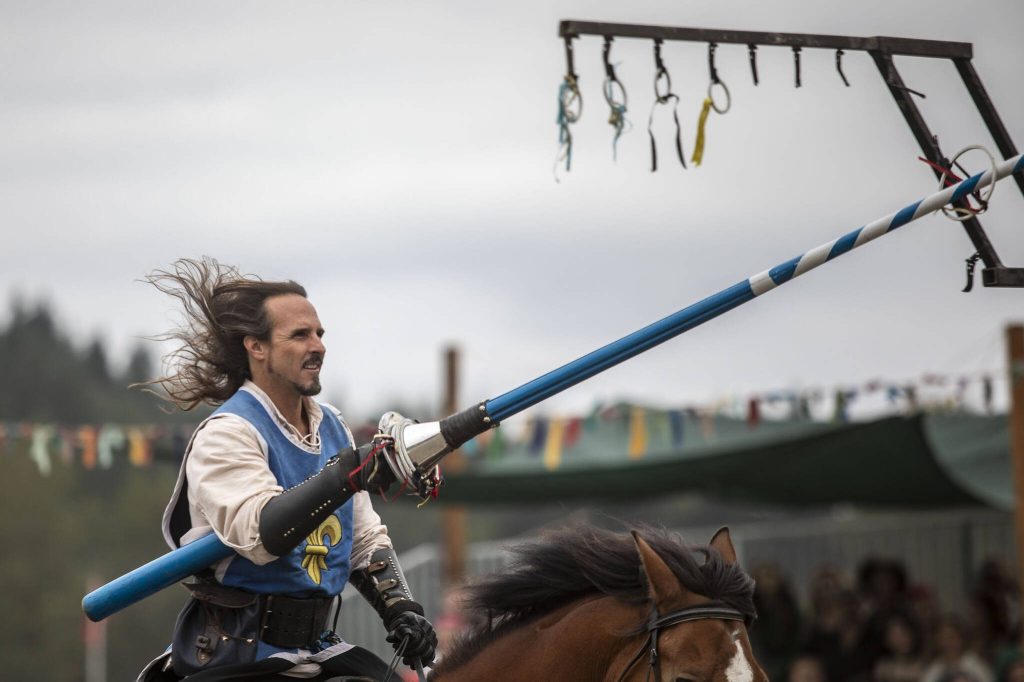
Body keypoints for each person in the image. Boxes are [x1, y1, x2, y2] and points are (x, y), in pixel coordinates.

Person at [136, 258, 437, 681]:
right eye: (300, 335)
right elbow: (261, 537)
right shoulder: (227, 434)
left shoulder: (332, 425)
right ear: (256, 347)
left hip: (319, 647)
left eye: (319, 333)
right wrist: (346, 474)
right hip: (237, 655)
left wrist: (401, 609)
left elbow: (363, 539)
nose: (318, 345)